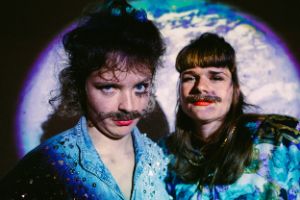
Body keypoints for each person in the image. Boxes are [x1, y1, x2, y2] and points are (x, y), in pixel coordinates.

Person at [0, 1, 170, 199]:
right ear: (80, 85)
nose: (128, 106)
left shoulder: (160, 160)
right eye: (109, 87)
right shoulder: (49, 164)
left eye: (140, 87)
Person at [164, 32, 300, 199]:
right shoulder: (166, 154)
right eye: (190, 78)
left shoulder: (283, 138)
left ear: (235, 90)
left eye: (216, 77)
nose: (200, 87)